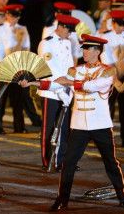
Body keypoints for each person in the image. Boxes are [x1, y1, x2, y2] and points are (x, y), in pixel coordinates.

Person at [19, 34, 124, 211]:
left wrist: (71, 82)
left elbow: (95, 86)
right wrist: (33, 83)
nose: (84, 52)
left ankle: (122, 195)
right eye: (84, 49)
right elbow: (57, 84)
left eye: (88, 49)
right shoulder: (76, 70)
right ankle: (62, 199)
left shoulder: (107, 71)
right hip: (79, 125)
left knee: (110, 162)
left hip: (100, 125)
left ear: (97, 51)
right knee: (68, 163)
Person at [37, 14, 80, 170]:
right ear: (61, 27)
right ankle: (47, 159)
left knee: (64, 127)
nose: (70, 34)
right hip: (51, 91)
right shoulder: (46, 43)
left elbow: (69, 67)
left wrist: (70, 87)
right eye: (69, 31)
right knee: (49, 127)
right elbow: (48, 68)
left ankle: (60, 159)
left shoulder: (67, 43)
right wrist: (60, 89)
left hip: (65, 91)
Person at [99, 10, 124, 148]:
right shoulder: (106, 36)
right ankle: (103, 139)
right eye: (119, 24)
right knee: (107, 109)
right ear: (113, 23)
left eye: (123, 24)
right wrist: (115, 80)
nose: (121, 27)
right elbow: (105, 59)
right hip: (110, 77)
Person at [3, 4, 42, 132]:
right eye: (10, 15)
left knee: (18, 98)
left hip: (17, 67)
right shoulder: (1, 28)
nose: (12, 18)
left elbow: (26, 49)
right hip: (2, 67)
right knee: (1, 98)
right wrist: (18, 43)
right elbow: (7, 52)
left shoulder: (22, 29)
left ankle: (19, 127)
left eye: (15, 15)